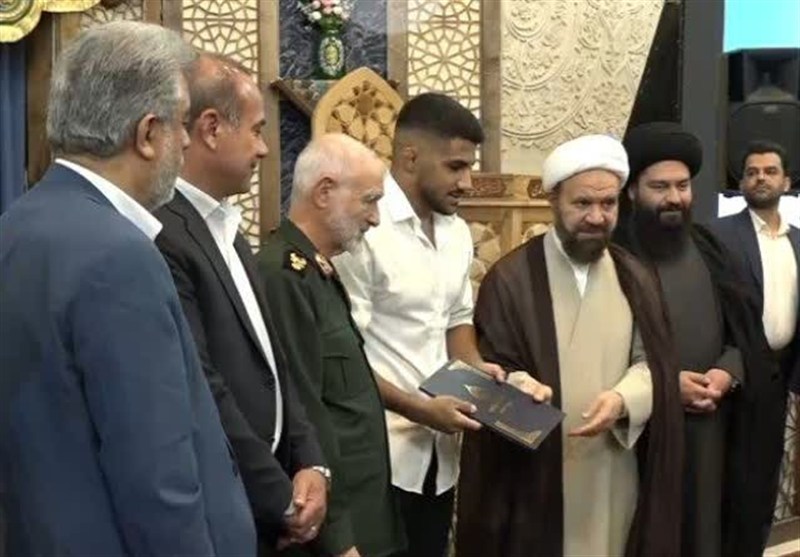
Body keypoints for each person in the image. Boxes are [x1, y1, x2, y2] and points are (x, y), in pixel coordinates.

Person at [0, 22, 255, 556]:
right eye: (181, 123)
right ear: (146, 134)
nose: (186, 141)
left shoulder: (15, 226)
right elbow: (156, 477)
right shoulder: (119, 256)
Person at [456, 134, 684, 557]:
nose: (597, 217)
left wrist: (623, 399)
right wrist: (517, 386)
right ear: (553, 201)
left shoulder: (636, 277)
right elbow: (481, 377)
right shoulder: (510, 280)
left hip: (614, 467)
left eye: (608, 204)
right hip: (533, 481)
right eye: (582, 203)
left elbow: (653, 364)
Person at [153, 52, 327, 554]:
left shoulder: (228, 227)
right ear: (211, 129)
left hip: (269, 499)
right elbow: (203, 385)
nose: (265, 149)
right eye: (255, 131)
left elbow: (274, 364)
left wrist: (312, 463)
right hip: (226, 501)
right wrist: (281, 500)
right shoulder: (164, 232)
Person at [333, 93, 506, 557]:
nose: (467, 183)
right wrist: (417, 409)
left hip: (439, 457)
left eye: (469, 168)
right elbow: (343, 356)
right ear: (410, 157)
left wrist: (481, 376)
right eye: (455, 167)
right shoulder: (365, 229)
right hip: (378, 456)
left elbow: (456, 322)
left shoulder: (455, 233)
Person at [614, 121, 770, 557]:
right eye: (659, 186)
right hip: (642, 432)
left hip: (712, 427)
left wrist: (728, 371)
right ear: (632, 192)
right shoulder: (614, 255)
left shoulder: (709, 247)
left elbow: (744, 331)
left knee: (707, 533)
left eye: (682, 186)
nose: (674, 198)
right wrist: (666, 386)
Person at [258, 133, 406, 557]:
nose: (375, 218)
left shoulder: (317, 270)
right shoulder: (283, 275)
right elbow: (304, 411)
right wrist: (339, 539)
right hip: (332, 530)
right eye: (369, 201)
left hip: (364, 513)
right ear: (324, 192)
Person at [708, 140, 799, 556]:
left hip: (779, 378)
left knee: (763, 483)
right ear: (741, 183)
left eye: (770, 171)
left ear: (787, 182)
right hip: (732, 376)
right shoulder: (718, 236)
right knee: (727, 485)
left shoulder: (799, 241)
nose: (761, 178)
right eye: (752, 172)